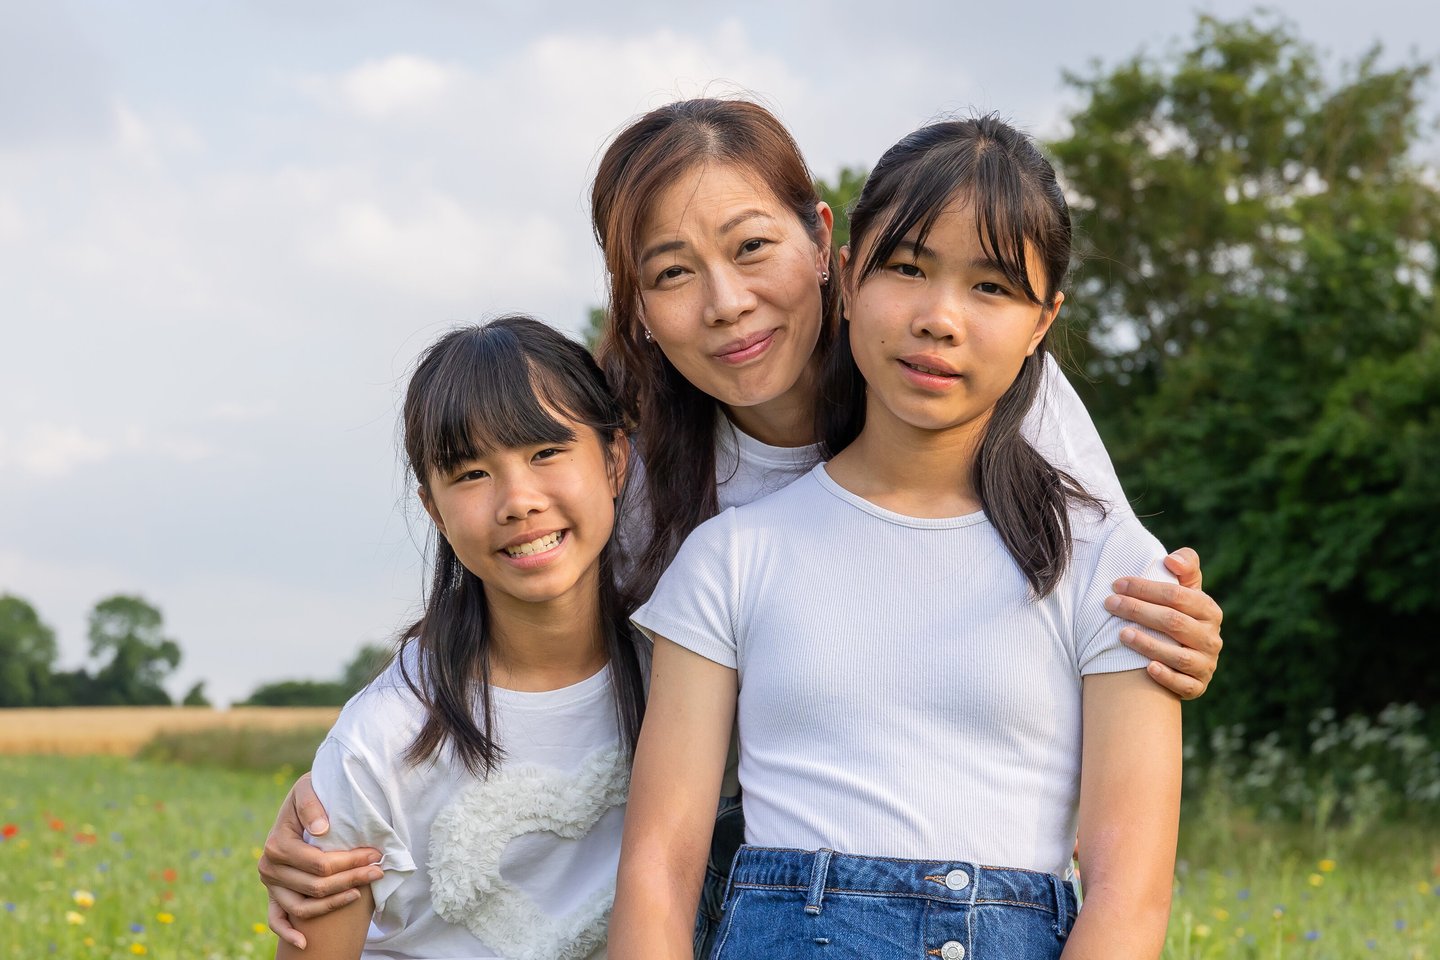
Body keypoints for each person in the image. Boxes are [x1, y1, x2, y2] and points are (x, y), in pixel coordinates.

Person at [259, 99, 1224, 956]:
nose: (727, 304)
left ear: (821, 248)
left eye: (751, 247)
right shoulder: (648, 493)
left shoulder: (992, 387)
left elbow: (1118, 596)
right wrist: (356, 784)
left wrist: (1181, 630)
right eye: (673, 273)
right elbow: (519, 622)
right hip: (761, 879)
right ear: (635, 308)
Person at [610, 115, 1182, 959]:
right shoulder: (728, 554)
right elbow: (659, 868)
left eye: (992, 288)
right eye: (907, 269)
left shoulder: (1106, 563)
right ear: (847, 276)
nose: (939, 318)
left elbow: (1129, 896)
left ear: (1042, 322)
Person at [274, 316, 646, 960]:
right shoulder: (381, 742)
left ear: (615, 460)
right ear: (434, 510)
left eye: (545, 452)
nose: (517, 500)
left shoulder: (682, 672)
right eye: (472, 473)